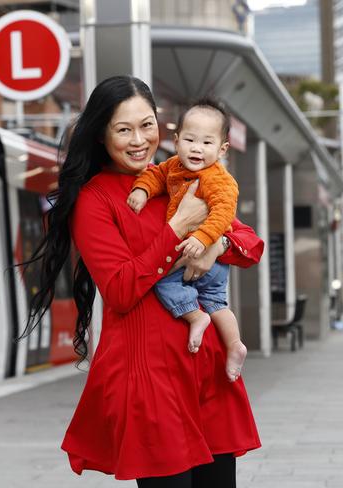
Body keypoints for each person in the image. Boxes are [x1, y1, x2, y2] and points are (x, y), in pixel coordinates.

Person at [22, 76, 262, 487]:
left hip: (207, 370)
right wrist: (179, 227)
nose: (139, 140)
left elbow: (249, 244)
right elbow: (119, 289)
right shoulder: (94, 200)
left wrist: (216, 244)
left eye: (147, 125)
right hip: (150, 380)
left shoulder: (178, 176)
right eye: (123, 129)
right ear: (101, 134)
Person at [126, 98, 247, 382]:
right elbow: (155, 175)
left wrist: (206, 241)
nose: (197, 148)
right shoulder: (173, 166)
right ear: (177, 140)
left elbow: (223, 213)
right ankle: (235, 345)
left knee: (165, 281)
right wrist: (143, 191)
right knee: (216, 303)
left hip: (206, 254)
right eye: (190, 139)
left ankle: (198, 319)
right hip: (188, 252)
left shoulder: (219, 179)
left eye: (207, 143)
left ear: (222, 149)